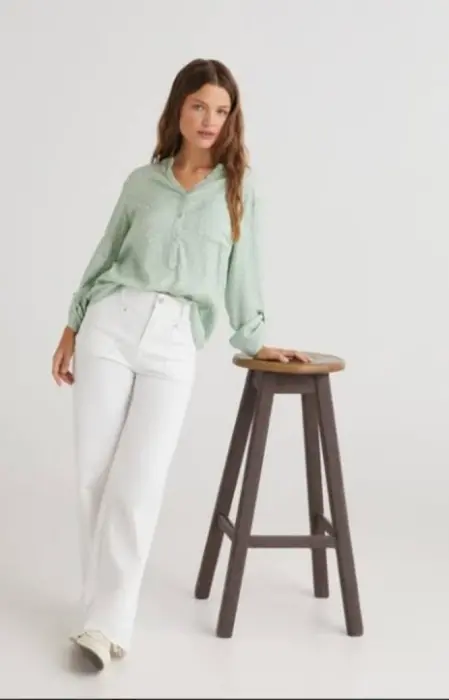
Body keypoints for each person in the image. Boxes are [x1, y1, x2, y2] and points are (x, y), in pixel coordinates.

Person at [51, 57, 310, 671]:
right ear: (178, 109)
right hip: (110, 324)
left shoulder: (239, 189)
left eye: (221, 110)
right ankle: (99, 618)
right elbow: (105, 254)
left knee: (138, 483)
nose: (209, 120)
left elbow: (244, 274)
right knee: (94, 474)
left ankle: (106, 622)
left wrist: (256, 338)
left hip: (172, 340)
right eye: (199, 106)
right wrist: (72, 325)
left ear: (231, 118)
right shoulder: (142, 183)